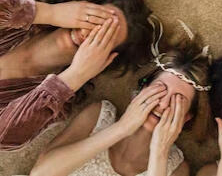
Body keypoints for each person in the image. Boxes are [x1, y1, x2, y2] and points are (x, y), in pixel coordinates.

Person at [29, 18, 211, 176]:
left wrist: (160, 152)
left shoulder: (176, 169)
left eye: (176, 101)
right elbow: (39, 173)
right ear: (142, 88)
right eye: (160, 90)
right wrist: (122, 128)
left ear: (186, 117)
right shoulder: (98, 116)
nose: (162, 104)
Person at [0, 0, 155, 150]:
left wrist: (74, 77)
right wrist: (49, 13)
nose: (89, 32)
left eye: (104, 37)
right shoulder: (21, 11)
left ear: (105, 60)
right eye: (94, 19)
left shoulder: (57, 104)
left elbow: (4, 138)